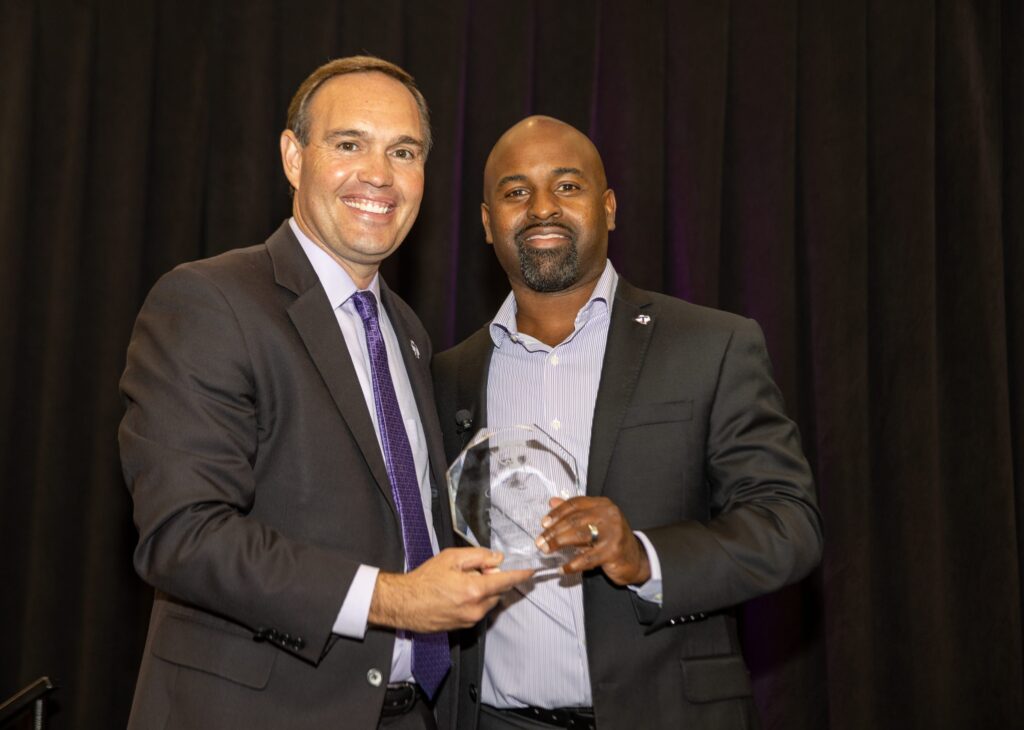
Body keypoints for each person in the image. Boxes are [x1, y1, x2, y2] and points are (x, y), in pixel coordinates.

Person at [119, 56, 531, 730]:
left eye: (404, 151)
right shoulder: (208, 301)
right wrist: (393, 600)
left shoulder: (409, 333)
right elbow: (183, 534)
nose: (379, 173)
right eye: (349, 144)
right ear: (292, 156)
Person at [432, 116, 824, 729]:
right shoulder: (447, 375)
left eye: (567, 186)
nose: (541, 209)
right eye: (515, 192)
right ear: (487, 224)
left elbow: (789, 526)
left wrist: (643, 557)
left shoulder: (711, 345)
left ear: (608, 207)